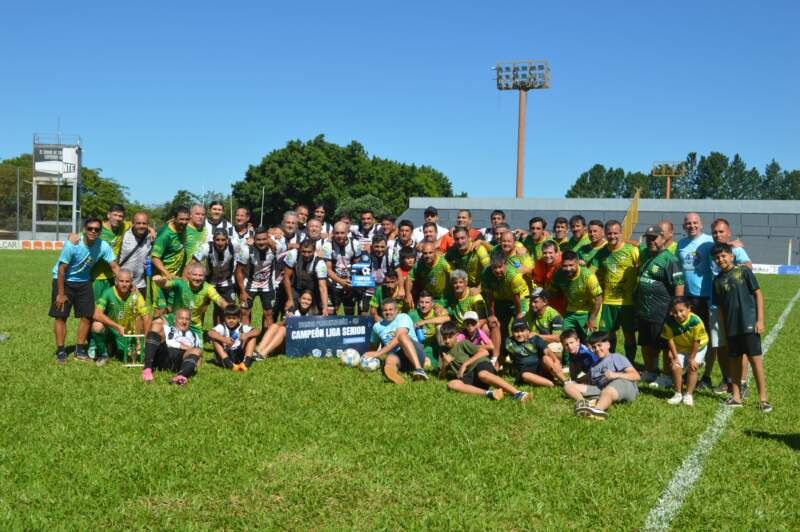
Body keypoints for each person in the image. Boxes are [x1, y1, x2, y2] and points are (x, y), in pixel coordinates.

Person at [711, 243, 771, 412]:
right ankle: (736, 397)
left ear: (731, 256)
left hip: (749, 324)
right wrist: (724, 330)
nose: (720, 259)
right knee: (734, 362)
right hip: (731, 327)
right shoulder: (717, 281)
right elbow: (720, 308)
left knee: (755, 360)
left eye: (723, 256)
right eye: (717, 258)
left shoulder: (744, 272)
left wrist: (760, 320)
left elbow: (758, 294)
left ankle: (763, 399)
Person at [50, 217, 119, 364]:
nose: (93, 231)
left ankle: (80, 349)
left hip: (84, 281)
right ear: (84, 230)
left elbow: (114, 266)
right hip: (63, 280)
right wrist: (61, 294)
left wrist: (127, 281)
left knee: (87, 315)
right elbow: (61, 269)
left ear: (100, 232)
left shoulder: (103, 246)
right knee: (61, 316)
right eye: (90, 228)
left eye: (97, 229)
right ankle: (61, 351)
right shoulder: (73, 244)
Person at [706, 218, 753, 395]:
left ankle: (742, 382)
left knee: (740, 344)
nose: (718, 235)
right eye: (715, 232)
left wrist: (732, 248)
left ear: (729, 233)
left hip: (735, 305)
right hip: (715, 305)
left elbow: (748, 266)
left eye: (721, 231)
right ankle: (727, 379)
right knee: (721, 345)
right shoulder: (711, 250)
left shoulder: (737, 250)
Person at [636, 225, 685, 385]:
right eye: (648, 238)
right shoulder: (645, 254)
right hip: (644, 309)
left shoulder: (670, 259)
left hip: (662, 310)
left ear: (663, 238)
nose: (651, 241)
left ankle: (666, 375)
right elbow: (632, 243)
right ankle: (650, 371)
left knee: (664, 345)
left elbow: (679, 284)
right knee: (646, 343)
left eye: (654, 238)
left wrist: (676, 309)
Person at [438, 321, 530, 402]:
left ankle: (518, 393)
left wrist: (465, 364)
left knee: (482, 374)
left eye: (450, 337)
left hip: (479, 365)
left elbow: (484, 352)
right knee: (452, 384)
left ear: (457, 335)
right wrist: (444, 365)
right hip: (468, 375)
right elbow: (441, 378)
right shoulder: (443, 351)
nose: (447, 341)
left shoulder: (462, 344)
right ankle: (489, 394)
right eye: (444, 338)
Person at [564, 331, 640, 420]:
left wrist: (615, 375)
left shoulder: (615, 357)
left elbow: (636, 376)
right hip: (602, 389)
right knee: (568, 386)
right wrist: (574, 382)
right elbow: (587, 377)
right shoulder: (594, 366)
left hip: (623, 386)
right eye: (594, 347)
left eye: (599, 345)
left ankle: (597, 410)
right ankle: (584, 404)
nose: (597, 349)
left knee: (608, 389)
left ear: (608, 345)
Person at [593, 220, 639, 363]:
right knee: (607, 335)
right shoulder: (601, 253)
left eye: (615, 233)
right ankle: (610, 361)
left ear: (621, 233)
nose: (612, 236)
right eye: (609, 233)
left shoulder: (631, 250)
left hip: (628, 302)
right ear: (605, 234)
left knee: (629, 335)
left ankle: (630, 363)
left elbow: (641, 267)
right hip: (608, 302)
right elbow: (591, 272)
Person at [90, 268, 151, 365]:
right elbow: (96, 314)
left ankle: (121, 346)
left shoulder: (136, 295)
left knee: (128, 357)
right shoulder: (108, 292)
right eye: (121, 281)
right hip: (111, 329)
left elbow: (146, 317)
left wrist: (145, 341)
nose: (124, 284)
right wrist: (117, 327)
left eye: (127, 281)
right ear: (116, 281)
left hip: (127, 332)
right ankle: (103, 354)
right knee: (96, 326)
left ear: (131, 282)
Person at [152, 261, 229, 336]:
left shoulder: (208, 288)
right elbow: (165, 284)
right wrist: (159, 281)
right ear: (189, 275)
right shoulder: (181, 283)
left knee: (189, 345)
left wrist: (228, 307)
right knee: (157, 324)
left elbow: (220, 301)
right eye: (195, 275)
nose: (197, 278)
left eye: (200, 275)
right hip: (175, 319)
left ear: (204, 277)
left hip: (193, 325)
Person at [362, 299, 429, 384]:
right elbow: (373, 347)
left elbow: (398, 338)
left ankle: (419, 370)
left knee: (402, 336)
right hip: (400, 360)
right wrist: (368, 357)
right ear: (381, 312)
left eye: (390, 309)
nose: (388, 312)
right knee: (390, 359)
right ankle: (393, 373)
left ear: (396, 310)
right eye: (385, 310)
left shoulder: (403, 317)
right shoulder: (377, 327)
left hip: (416, 354)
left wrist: (379, 353)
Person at [481, 250, 530, 359]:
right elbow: (489, 295)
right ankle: (504, 353)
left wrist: (519, 314)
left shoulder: (513, 275)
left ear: (505, 264)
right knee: (500, 325)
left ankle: (526, 353)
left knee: (520, 325)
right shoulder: (486, 274)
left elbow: (516, 297)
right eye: (494, 267)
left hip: (519, 298)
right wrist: (492, 314)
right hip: (501, 298)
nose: (497, 270)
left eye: (500, 267)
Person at [661, 297, 709, 406]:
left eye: (681, 311)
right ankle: (678, 394)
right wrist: (675, 357)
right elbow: (670, 340)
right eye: (675, 312)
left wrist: (692, 358)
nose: (678, 315)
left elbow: (697, 341)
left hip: (698, 347)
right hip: (681, 347)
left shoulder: (695, 321)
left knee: (693, 367)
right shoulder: (668, 322)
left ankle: (688, 394)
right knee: (675, 366)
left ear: (689, 309)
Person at [549, 251, 603, 345]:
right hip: (570, 311)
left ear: (577, 263)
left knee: (589, 342)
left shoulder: (587, 276)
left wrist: (592, 319)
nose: (568, 269)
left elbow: (599, 298)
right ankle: (569, 355)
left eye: (571, 265)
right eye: (565, 266)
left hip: (588, 311)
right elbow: (552, 292)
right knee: (563, 338)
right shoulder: (558, 274)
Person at [676, 212, 714, 343]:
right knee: (689, 331)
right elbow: (678, 269)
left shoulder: (710, 241)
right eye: (688, 223)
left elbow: (724, 249)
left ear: (701, 224)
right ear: (684, 227)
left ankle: (707, 356)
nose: (692, 226)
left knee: (707, 332)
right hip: (687, 296)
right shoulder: (681, 244)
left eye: (695, 223)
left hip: (706, 296)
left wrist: (733, 245)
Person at [141, 308, 202, 385]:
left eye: (187, 319)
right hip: (164, 356)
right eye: (181, 318)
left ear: (190, 321)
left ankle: (181, 376)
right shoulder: (167, 329)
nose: (184, 322)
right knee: (156, 326)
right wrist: (181, 345)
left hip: (180, 362)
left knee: (197, 350)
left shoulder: (195, 336)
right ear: (174, 319)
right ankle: (147, 368)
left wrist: (194, 358)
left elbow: (198, 357)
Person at [236, 226, 282, 329]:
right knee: (244, 312)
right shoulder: (246, 250)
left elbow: (287, 248)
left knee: (268, 313)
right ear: (254, 240)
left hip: (268, 286)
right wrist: (242, 291)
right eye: (258, 240)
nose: (261, 242)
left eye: (264, 239)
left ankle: (267, 338)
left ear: (268, 239)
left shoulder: (276, 248)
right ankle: (245, 337)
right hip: (249, 286)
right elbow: (238, 271)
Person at [254, 289, 316, 359]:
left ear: (311, 302)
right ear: (299, 299)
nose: (306, 301)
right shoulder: (292, 309)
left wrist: (296, 322)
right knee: (275, 326)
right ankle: (259, 350)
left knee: (283, 329)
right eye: (304, 298)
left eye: (309, 300)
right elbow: (280, 324)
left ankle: (264, 353)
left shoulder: (314, 313)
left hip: (303, 340)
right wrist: (287, 320)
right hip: (291, 338)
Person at [193, 228, 238, 324]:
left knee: (228, 309)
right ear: (213, 240)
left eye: (223, 240)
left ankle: (224, 331)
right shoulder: (206, 247)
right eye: (217, 240)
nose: (220, 243)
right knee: (202, 308)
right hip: (210, 282)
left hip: (228, 282)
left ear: (227, 240)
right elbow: (193, 262)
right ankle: (198, 329)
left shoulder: (234, 245)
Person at [505, 319, 565, 388]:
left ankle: (565, 381)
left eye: (522, 331)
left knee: (546, 358)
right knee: (524, 375)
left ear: (528, 331)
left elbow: (547, 351)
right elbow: (501, 355)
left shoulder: (535, 339)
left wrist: (556, 360)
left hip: (541, 367)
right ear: (512, 332)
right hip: (526, 371)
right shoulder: (509, 342)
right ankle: (553, 384)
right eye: (516, 331)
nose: (519, 334)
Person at [151, 205, 190, 310]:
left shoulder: (183, 228)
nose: (184, 222)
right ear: (174, 218)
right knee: (160, 311)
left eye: (187, 219)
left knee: (172, 309)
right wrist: (167, 273)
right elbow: (154, 258)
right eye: (181, 219)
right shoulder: (165, 234)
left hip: (176, 278)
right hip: (161, 278)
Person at [283, 238, 330, 315]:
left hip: (313, 289)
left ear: (314, 251)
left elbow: (322, 286)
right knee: (290, 311)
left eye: (309, 252)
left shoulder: (320, 263)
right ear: (299, 250)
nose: (306, 255)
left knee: (316, 313)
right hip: (295, 287)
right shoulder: (293, 255)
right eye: (304, 251)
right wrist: (289, 299)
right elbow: (286, 277)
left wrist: (325, 307)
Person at [326, 221, 363, 315]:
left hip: (350, 281)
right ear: (333, 233)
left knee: (349, 312)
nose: (339, 236)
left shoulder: (356, 244)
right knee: (331, 314)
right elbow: (327, 269)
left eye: (342, 233)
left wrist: (350, 282)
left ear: (347, 232)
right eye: (337, 233)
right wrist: (341, 282)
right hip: (334, 281)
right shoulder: (327, 245)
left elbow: (357, 266)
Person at [207, 305, 259, 371]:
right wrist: (224, 339)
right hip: (225, 354)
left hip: (239, 353)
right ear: (224, 318)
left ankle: (246, 363)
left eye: (234, 318)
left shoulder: (242, 327)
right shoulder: (222, 327)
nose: (231, 320)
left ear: (239, 319)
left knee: (252, 337)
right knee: (215, 339)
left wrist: (246, 335)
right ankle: (228, 364)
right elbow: (210, 333)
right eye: (228, 318)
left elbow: (257, 331)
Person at [408, 291, 450, 369]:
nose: (424, 305)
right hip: (417, 347)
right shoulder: (412, 314)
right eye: (421, 302)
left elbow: (447, 318)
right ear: (418, 303)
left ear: (432, 304)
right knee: (426, 365)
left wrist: (424, 322)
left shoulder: (437, 313)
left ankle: (443, 354)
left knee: (439, 326)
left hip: (432, 348)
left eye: (427, 302)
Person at [117, 211, 154, 300]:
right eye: (138, 223)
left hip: (141, 285)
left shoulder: (151, 237)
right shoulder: (124, 235)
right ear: (133, 223)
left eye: (144, 223)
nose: (141, 226)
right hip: (123, 283)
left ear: (148, 224)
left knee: (141, 309)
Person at [405, 242, 452, 308]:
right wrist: (408, 294)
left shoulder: (443, 262)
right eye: (425, 253)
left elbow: (453, 275)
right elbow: (409, 277)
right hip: (427, 297)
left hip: (443, 298)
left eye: (430, 253)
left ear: (435, 252)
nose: (428, 256)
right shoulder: (420, 264)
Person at [532, 240, 564, 313]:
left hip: (564, 298)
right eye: (545, 253)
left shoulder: (563, 263)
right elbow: (539, 284)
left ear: (557, 253)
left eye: (550, 253)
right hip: (548, 297)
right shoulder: (539, 263)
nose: (547, 255)